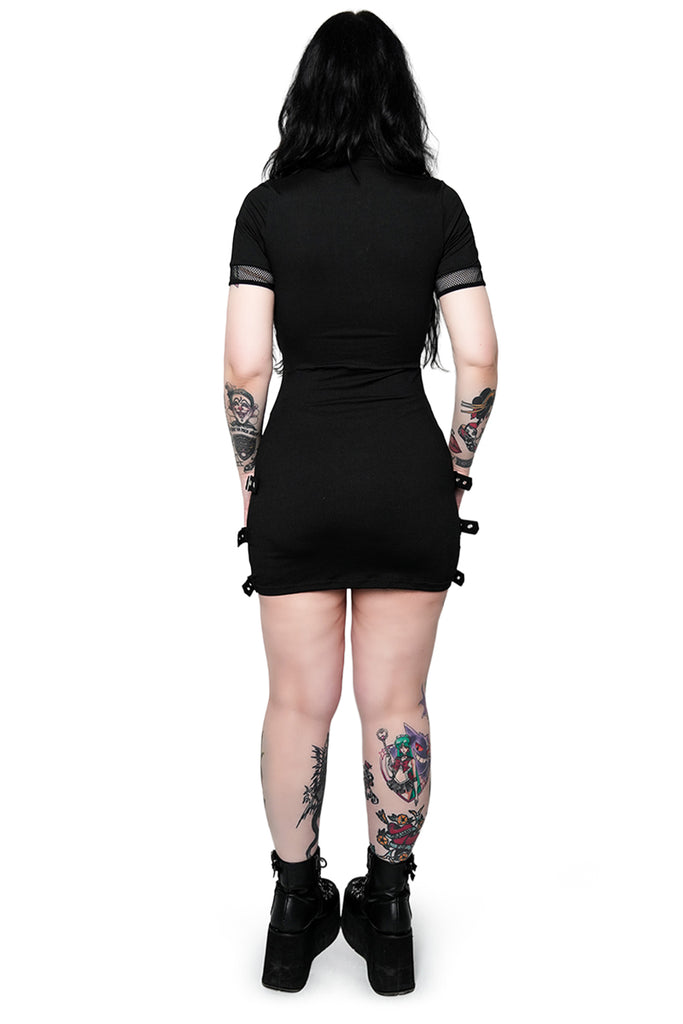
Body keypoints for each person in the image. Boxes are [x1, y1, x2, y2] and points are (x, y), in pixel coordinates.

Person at [223, 10, 498, 996]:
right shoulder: (436, 209)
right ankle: (386, 920)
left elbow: (244, 368)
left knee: (297, 702)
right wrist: (453, 472)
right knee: (397, 705)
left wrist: (255, 481)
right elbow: (478, 358)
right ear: (396, 100)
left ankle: (292, 915)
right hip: (405, 481)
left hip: (297, 477)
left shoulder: (266, 210)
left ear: (305, 98)